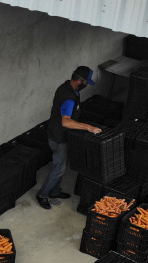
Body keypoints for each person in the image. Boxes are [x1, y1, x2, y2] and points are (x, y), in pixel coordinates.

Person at [36, 65, 102, 210]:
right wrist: (88, 127)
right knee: (58, 168)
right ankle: (42, 194)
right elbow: (66, 121)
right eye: (85, 83)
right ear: (79, 81)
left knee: (61, 164)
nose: (85, 85)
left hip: (56, 132)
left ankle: (55, 191)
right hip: (59, 137)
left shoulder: (67, 87)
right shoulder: (69, 98)